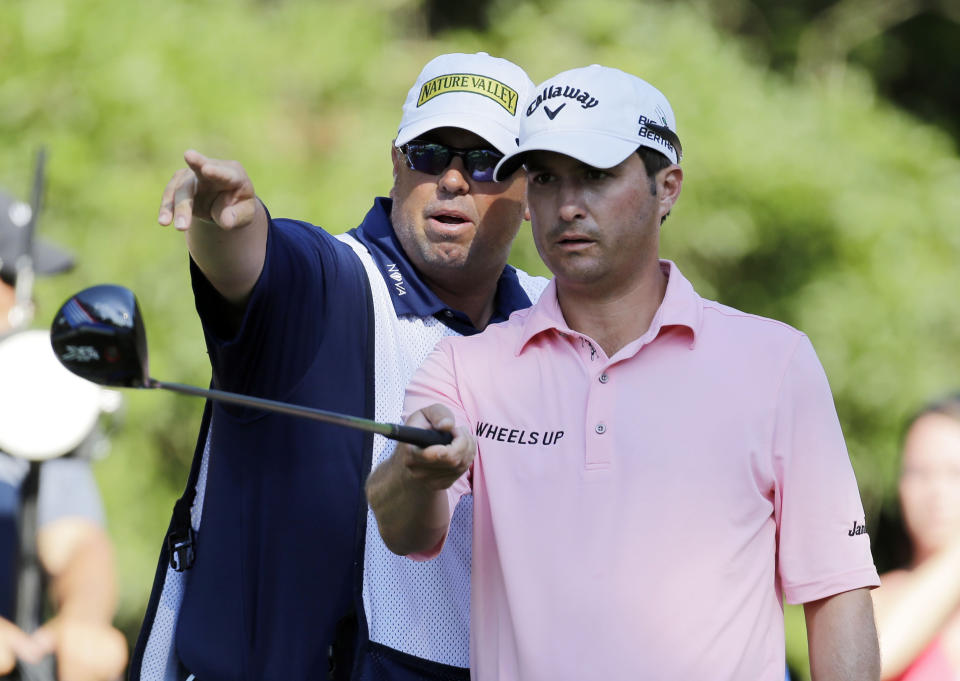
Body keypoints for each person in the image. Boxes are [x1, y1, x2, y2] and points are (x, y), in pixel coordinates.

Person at [367, 64, 883, 680]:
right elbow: (404, 532)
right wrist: (416, 471)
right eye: (547, 179)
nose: (567, 205)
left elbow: (837, 590)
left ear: (668, 187)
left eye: (596, 176)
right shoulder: (465, 368)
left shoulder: (776, 362)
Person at [130, 53, 546, 681]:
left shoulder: (555, 316)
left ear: (532, 189)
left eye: (486, 163)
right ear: (398, 161)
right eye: (431, 153)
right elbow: (256, 257)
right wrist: (223, 221)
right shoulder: (329, 279)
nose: (455, 180)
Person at [0, 188, 127, 681]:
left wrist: (83, 618)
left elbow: (77, 541)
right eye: (11, 278)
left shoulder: (29, 408)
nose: (26, 307)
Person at [871, 395, 960, 680]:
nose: (936, 492)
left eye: (954, 473)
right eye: (919, 473)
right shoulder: (874, 599)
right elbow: (866, 666)